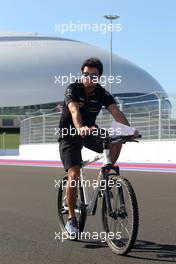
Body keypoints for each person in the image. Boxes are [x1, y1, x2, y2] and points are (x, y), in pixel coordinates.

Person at [58, 57, 138, 238]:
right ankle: (71, 219)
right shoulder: (73, 89)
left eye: (93, 75)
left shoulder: (102, 93)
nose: (89, 78)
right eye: (86, 74)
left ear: (99, 77)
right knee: (74, 175)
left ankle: (104, 175)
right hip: (70, 134)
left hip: (90, 131)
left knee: (116, 141)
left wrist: (130, 130)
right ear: (82, 74)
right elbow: (74, 111)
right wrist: (79, 128)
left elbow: (116, 112)